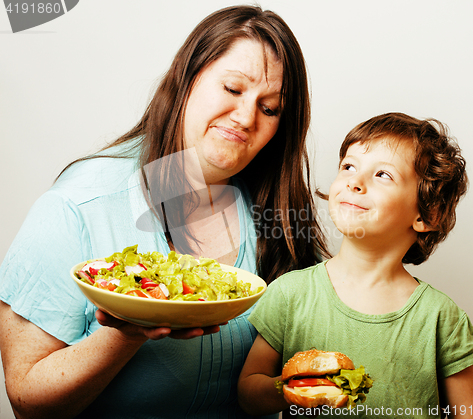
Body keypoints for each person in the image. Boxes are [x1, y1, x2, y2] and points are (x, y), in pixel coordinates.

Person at [0, 5, 331, 418]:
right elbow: (27, 401)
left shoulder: (273, 208)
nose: (247, 117)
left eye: (270, 109)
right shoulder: (79, 205)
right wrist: (128, 332)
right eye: (232, 88)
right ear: (185, 79)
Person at [238, 112, 473, 418]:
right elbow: (248, 391)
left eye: (383, 174)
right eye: (349, 166)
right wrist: (292, 388)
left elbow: (470, 413)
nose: (355, 181)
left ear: (426, 215)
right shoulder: (289, 293)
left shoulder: (440, 317)